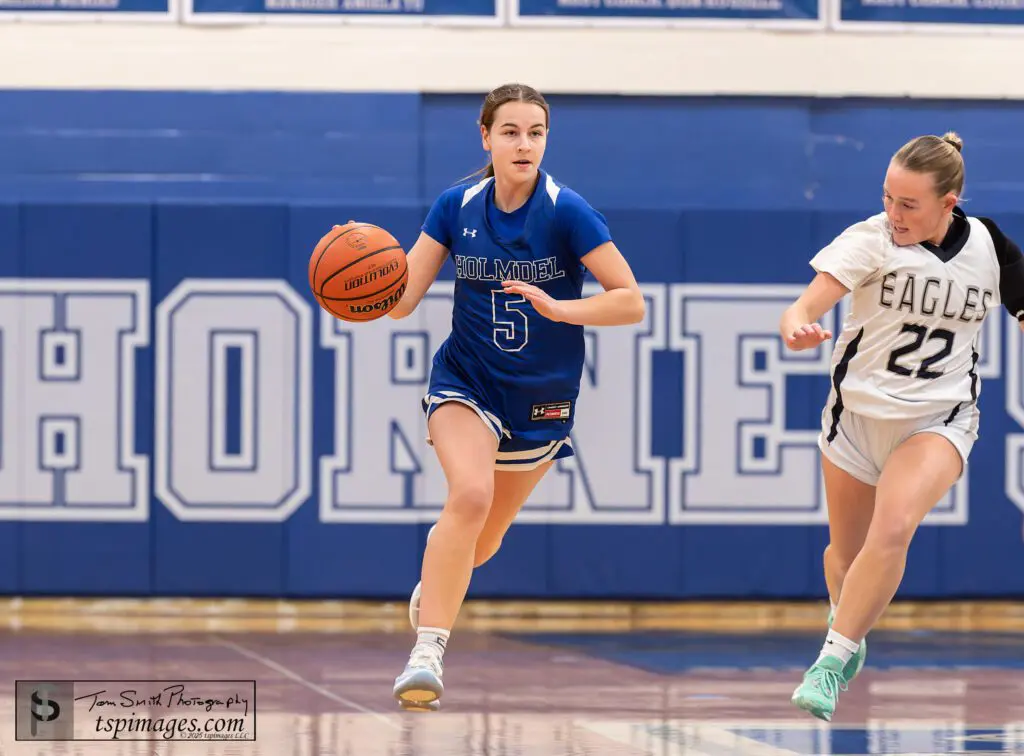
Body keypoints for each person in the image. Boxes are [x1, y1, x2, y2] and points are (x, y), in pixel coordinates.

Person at [385, 82, 645, 711]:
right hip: (466, 380)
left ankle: (437, 584)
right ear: (486, 137)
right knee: (468, 495)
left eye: (535, 132)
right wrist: (354, 285)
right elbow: (399, 303)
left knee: (486, 540)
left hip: (542, 396)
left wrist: (561, 306)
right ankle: (428, 653)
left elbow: (630, 300)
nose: (524, 143)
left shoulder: (567, 212)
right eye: (510, 132)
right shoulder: (456, 205)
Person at [780, 131, 1024, 722]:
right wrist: (797, 327)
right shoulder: (871, 238)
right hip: (857, 416)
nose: (894, 213)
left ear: (951, 201)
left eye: (909, 204)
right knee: (848, 552)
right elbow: (804, 306)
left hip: (939, 417)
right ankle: (851, 626)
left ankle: (830, 662)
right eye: (888, 197)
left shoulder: (990, 248)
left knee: (893, 529)